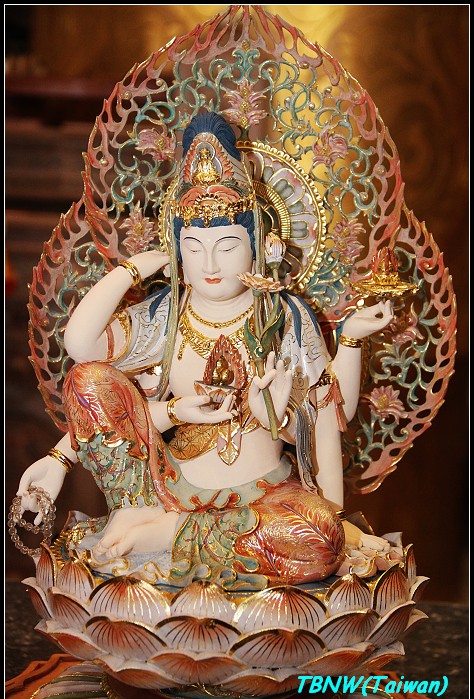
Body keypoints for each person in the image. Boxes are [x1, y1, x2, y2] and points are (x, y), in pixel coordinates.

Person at [17, 112, 394, 590]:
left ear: (262, 247)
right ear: (177, 250)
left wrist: (333, 514)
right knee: (87, 378)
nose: (210, 264)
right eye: (193, 247)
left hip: (263, 499)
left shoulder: (285, 316)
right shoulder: (166, 314)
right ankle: (137, 511)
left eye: (228, 245)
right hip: (167, 486)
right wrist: (132, 270)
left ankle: (167, 535)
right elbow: (81, 346)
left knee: (319, 538)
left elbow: (326, 417)